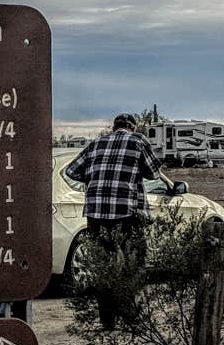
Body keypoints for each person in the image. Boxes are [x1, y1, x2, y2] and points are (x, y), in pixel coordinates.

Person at [63, 113, 165, 329]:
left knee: (103, 264)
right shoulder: (138, 140)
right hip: (126, 211)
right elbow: (154, 173)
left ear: (114, 126)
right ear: (132, 127)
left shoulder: (96, 143)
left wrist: (93, 179)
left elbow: (71, 171)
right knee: (132, 262)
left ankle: (107, 320)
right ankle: (129, 315)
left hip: (95, 213)